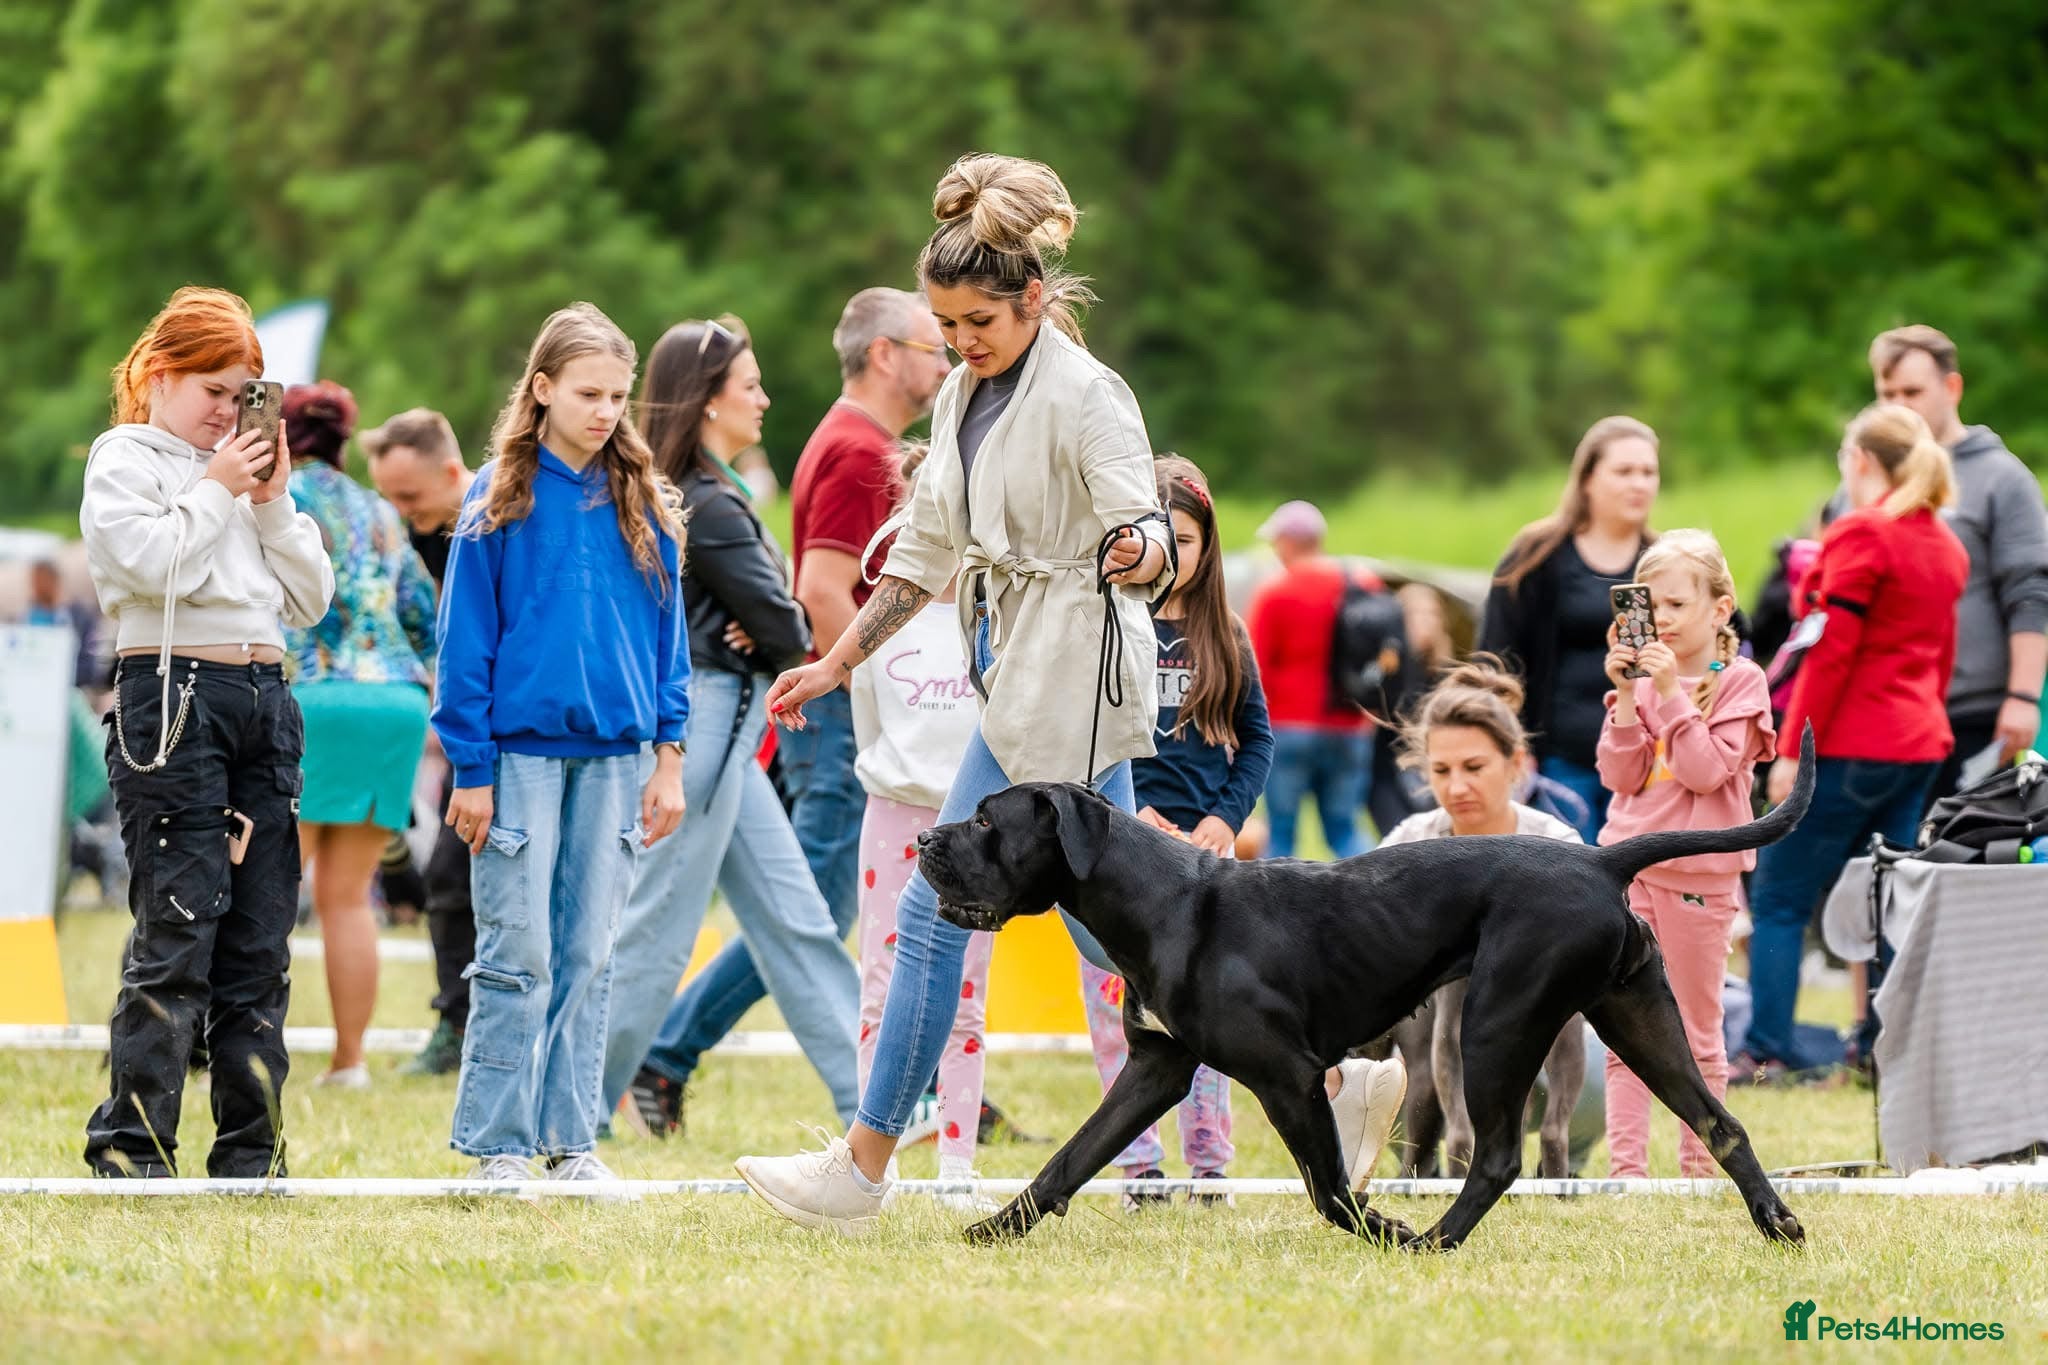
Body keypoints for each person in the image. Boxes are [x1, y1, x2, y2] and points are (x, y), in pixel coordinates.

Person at [733, 152, 1192, 1233]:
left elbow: (1156, 531)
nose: (960, 341)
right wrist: (837, 661)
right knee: (1126, 928)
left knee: (942, 904)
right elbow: (927, 547)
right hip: (1015, 672)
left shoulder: (1089, 394)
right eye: (945, 325)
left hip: (1074, 674)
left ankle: (861, 1164)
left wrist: (1135, 548)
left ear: (1033, 295)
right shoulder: (959, 395)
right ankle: (1317, 1064)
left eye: (978, 320)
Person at [638, 288, 951, 1127]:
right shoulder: (856, 449)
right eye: (935, 342)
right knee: (794, 908)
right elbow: (818, 592)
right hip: (829, 709)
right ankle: (653, 1058)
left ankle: (896, 1090)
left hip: (784, 709)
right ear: (885, 352)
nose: (949, 357)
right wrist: (884, 695)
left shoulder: (844, 445)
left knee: (802, 911)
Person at [79, 286, 334, 1177]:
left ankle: (250, 1149)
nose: (229, 411)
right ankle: (134, 1143)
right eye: (215, 389)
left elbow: (309, 599)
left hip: (265, 694)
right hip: (173, 691)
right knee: (179, 926)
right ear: (160, 373)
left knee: (260, 940)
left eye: (246, 393)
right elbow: (147, 563)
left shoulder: (242, 481)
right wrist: (218, 490)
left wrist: (269, 501)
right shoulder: (126, 458)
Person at [432, 302, 688, 1185]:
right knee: (520, 952)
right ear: (541, 390)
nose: (606, 410)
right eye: (588, 392)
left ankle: (568, 1140)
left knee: (587, 952)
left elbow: (669, 641)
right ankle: (495, 1146)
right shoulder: (495, 497)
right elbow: (463, 641)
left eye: (619, 395)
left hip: (618, 759)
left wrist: (670, 755)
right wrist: (471, 767)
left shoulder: (643, 499)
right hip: (516, 758)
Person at [604, 317, 862, 1135]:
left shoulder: (713, 495)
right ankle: (572, 1110)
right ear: (709, 401)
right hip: (709, 724)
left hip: (735, 727)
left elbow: (778, 621)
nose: (764, 397)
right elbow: (788, 628)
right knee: (659, 931)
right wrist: (767, 621)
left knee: (799, 922)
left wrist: (771, 619)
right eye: (750, 384)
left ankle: (881, 1101)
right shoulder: (708, 504)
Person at [1736, 404, 1967, 1079]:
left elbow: (1829, 653)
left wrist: (1788, 751)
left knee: (1780, 895)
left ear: (1860, 461)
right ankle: (1881, 1048)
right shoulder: (1945, 544)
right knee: (1887, 896)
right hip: (1920, 742)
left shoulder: (1863, 533)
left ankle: (1770, 1049)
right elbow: (1943, 653)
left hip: (1849, 744)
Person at [1080, 455, 1274, 1207]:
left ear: (1207, 546)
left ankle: (1210, 1166)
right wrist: (1131, 816)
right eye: (1156, 536)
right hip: (1118, 863)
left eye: (1185, 540)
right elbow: (1084, 738)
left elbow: (1256, 740)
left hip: (1201, 867)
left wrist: (1223, 821)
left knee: (1208, 1012)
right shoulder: (1102, 623)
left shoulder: (1225, 632)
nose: (1170, 553)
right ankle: (1137, 1167)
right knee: (1117, 1013)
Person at [845, 440, 998, 1210]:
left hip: (973, 823)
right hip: (893, 811)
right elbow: (866, 714)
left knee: (967, 998)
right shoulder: (882, 619)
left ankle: (959, 1164)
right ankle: (877, 1160)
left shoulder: (994, 616)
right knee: (881, 985)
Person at [1594, 530, 1773, 1176]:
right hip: (1627, 864)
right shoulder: (1642, 681)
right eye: (1649, 606)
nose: (1660, 619)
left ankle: (1701, 1167)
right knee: (1623, 1026)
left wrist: (1668, 694)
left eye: (1675, 604)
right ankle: (1627, 1171)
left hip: (1699, 873)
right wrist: (1622, 697)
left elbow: (1703, 770)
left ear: (1719, 609)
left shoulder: (1743, 682)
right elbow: (1619, 775)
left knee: (1697, 1025)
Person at [1378, 658, 1593, 1174]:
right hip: (1430, 1036)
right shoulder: (1410, 841)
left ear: (1516, 763)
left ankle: (1560, 1159)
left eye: (1474, 768)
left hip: (1541, 1030)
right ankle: (1419, 1167)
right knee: (1404, 1034)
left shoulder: (1558, 846)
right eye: (1442, 771)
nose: (1456, 788)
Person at [281, 382, 436, 1090]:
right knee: (349, 895)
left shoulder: (279, 497)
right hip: (392, 703)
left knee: (269, 889)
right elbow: (423, 614)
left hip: (312, 695)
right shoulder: (380, 510)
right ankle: (350, 1062)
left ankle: (238, 1050)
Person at [1865, 326, 2048, 800]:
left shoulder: (2001, 479)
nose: (1899, 407)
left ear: (1952, 388)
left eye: (1912, 392)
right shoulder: (1864, 479)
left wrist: (2023, 698)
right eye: (1887, 394)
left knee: (1964, 860)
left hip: (1973, 714)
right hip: (1883, 720)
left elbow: (2030, 593)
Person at [1478, 416, 1661, 843]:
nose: (1639, 484)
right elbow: (1496, 658)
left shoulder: (1663, 562)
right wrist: (1508, 746)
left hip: (1645, 760)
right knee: (1569, 890)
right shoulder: (1538, 554)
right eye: (1624, 471)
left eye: (1648, 472)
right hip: (1559, 759)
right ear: (1588, 480)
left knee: (1635, 893)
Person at [364, 408, 478, 1076]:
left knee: (449, 877)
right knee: (447, 878)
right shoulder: (425, 533)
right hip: (466, 732)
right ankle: (456, 1024)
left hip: (519, 734)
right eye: (389, 498)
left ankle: (462, 1029)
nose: (400, 513)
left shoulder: (495, 525)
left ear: (452, 471)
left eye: (409, 496)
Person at [1244, 501, 1379, 858]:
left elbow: (1256, 670)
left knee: (1281, 836)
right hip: (1350, 725)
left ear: (1288, 541)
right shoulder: (1364, 583)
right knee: (1345, 830)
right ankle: (1380, 903)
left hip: (1288, 728)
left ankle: (1275, 913)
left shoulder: (1276, 591)